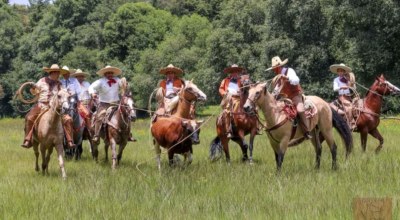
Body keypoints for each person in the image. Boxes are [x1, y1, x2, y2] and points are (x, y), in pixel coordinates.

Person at [21, 64, 76, 148]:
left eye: (58, 73)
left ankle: (69, 141)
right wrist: (33, 88)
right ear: (52, 73)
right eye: (57, 73)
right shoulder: (42, 81)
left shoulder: (60, 84)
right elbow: (34, 92)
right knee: (29, 118)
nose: (58, 75)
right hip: (42, 105)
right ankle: (28, 140)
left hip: (55, 108)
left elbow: (64, 93)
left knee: (68, 119)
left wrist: (69, 93)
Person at [266, 56, 312, 139]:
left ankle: (307, 130)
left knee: (300, 110)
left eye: (275, 68)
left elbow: (296, 80)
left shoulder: (289, 71)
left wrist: (286, 77)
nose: (274, 70)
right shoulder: (278, 77)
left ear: (279, 67)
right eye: (274, 68)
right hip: (285, 99)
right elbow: (276, 90)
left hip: (295, 95)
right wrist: (272, 97)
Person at [88, 65, 135, 144]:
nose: (110, 74)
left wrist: (125, 84)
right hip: (104, 104)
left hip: (116, 104)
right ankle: (96, 135)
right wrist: (92, 93)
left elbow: (123, 84)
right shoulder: (100, 81)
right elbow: (91, 87)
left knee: (126, 115)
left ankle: (128, 134)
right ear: (105, 74)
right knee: (99, 117)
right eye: (108, 73)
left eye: (111, 73)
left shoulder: (117, 80)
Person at [60, 66, 92, 131]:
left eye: (67, 73)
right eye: (64, 73)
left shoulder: (74, 80)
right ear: (62, 74)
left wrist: (79, 100)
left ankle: (90, 131)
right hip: (64, 101)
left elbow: (79, 90)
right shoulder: (60, 82)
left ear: (69, 73)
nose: (65, 74)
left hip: (74, 100)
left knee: (86, 113)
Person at [219, 64, 244, 138]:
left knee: (251, 107)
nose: (235, 73)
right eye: (233, 71)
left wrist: (241, 92)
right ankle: (228, 130)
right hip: (229, 99)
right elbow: (221, 89)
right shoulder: (225, 80)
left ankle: (255, 127)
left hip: (239, 98)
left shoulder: (241, 80)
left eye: (236, 71)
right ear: (230, 72)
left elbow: (244, 89)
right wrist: (225, 94)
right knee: (227, 111)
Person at [330, 63, 356, 129]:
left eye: (342, 71)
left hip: (350, 96)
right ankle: (351, 124)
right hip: (342, 97)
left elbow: (354, 88)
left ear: (344, 71)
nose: (340, 72)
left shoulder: (348, 78)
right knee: (350, 107)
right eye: (339, 71)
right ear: (337, 72)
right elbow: (335, 89)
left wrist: (351, 84)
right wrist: (341, 87)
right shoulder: (336, 79)